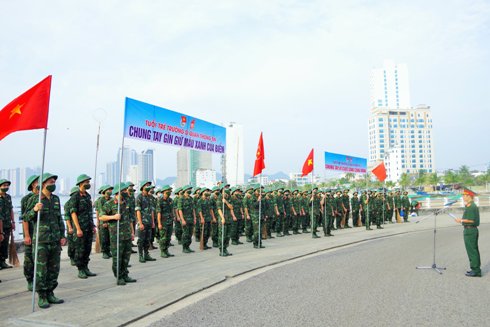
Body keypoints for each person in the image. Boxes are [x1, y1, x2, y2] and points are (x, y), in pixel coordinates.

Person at [25, 173, 66, 308]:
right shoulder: (35, 199)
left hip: (54, 239)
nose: (53, 183)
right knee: (41, 270)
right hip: (41, 240)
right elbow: (26, 217)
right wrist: (35, 209)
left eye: (54, 181)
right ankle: (42, 296)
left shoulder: (56, 199)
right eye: (50, 181)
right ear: (43, 184)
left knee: (54, 269)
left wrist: (62, 235)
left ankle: (50, 293)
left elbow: (59, 218)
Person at [99, 182, 137, 285]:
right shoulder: (109, 204)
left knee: (126, 256)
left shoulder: (126, 203)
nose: (125, 192)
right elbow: (101, 217)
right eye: (123, 191)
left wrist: (132, 232)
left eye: (126, 190)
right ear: (117, 192)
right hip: (116, 235)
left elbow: (129, 219)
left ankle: (125, 274)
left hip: (127, 234)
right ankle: (119, 276)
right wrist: (113, 217)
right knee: (117, 257)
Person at [70, 174, 97, 279]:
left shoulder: (88, 196)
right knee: (80, 250)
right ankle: (80, 269)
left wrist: (93, 225)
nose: (88, 184)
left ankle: (86, 268)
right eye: (86, 182)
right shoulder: (75, 196)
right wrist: (78, 228)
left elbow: (90, 213)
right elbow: (73, 213)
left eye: (89, 182)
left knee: (87, 249)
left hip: (88, 227)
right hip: (80, 228)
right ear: (81, 183)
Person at [455, 188, 481, 277]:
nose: (463, 197)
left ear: (469, 196)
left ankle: (476, 270)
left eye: (464, 195)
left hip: (470, 230)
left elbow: (471, 220)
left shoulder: (471, 207)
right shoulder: (470, 206)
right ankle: (475, 269)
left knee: (472, 251)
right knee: (472, 250)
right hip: (469, 230)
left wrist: (461, 220)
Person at [21, 175, 40, 290]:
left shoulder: (43, 196)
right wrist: (27, 235)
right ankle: (30, 280)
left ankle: (39, 280)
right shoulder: (26, 199)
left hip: (41, 234)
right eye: (38, 181)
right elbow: (25, 219)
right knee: (29, 259)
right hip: (31, 232)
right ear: (33, 184)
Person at [136, 181, 156, 262]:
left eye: (149, 185)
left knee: (148, 239)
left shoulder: (150, 197)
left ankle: (146, 254)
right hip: (142, 222)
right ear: (142, 187)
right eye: (146, 185)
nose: (148, 186)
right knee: (141, 240)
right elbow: (138, 211)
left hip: (149, 222)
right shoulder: (139, 197)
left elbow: (151, 210)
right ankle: (141, 256)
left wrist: (153, 222)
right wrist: (140, 223)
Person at [94, 185, 113, 259]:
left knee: (109, 237)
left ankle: (108, 251)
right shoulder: (101, 200)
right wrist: (102, 222)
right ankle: (104, 252)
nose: (110, 191)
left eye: (111, 190)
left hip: (111, 221)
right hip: (103, 221)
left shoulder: (111, 199)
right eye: (108, 190)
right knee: (104, 237)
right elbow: (100, 211)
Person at [156, 185, 175, 258]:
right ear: (164, 191)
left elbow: (172, 210)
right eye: (168, 190)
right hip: (163, 222)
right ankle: (162, 251)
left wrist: (173, 217)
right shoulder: (160, 201)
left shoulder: (170, 200)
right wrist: (159, 223)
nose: (170, 192)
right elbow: (158, 213)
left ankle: (166, 250)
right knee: (163, 238)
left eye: (170, 190)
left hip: (170, 221)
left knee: (168, 237)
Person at [0, 179, 15, 269]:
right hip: (0, 225)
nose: (6, 187)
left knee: (5, 244)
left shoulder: (8, 197)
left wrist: (13, 221)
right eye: (4, 185)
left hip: (7, 224)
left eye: (7, 185)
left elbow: (11, 210)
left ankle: (2, 262)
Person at [178, 185, 196, 253]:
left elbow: (193, 209)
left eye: (190, 189)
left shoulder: (191, 198)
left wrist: (194, 218)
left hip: (191, 219)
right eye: (189, 189)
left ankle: (188, 246)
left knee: (190, 234)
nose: (190, 190)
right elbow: (180, 210)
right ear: (185, 190)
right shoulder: (181, 199)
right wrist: (182, 219)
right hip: (185, 219)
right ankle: (184, 247)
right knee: (185, 234)